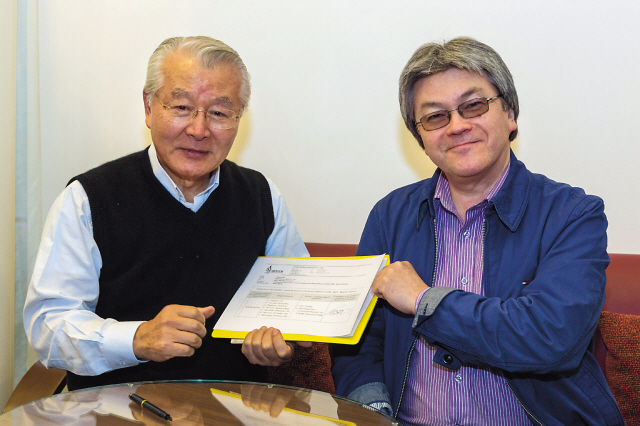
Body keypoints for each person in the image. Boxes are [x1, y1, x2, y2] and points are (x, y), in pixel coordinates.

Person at [332, 37, 624, 425]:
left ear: (510, 114)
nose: (457, 126)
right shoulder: (390, 215)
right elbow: (360, 341)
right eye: (435, 116)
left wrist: (423, 301)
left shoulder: (573, 214)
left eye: (473, 105)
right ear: (420, 137)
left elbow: (552, 337)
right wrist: (373, 409)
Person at [24, 36, 310, 391]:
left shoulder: (262, 196)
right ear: (148, 106)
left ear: (239, 118)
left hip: (233, 412)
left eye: (219, 113)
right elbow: (47, 326)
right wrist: (136, 339)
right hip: (117, 411)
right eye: (181, 107)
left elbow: (298, 306)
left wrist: (282, 343)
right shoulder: (88, 200)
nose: (198, 129)